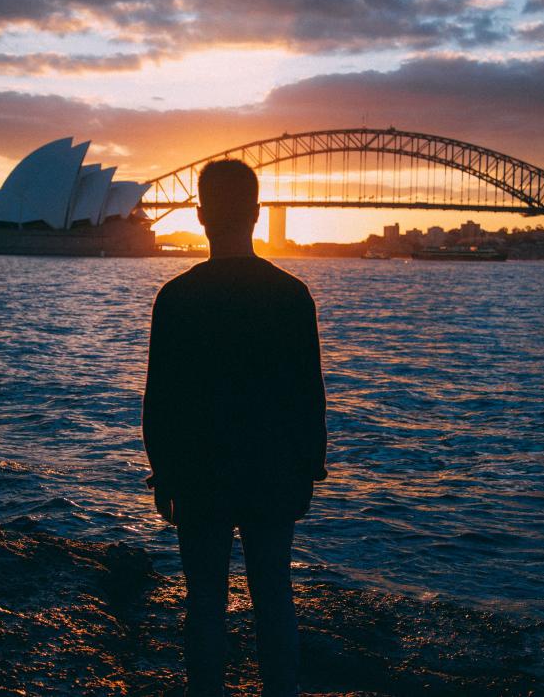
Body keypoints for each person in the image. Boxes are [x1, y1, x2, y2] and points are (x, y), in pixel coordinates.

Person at [142, 159, 327, 696]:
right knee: (274, 593)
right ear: (256, 215)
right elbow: (308, 397)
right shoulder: (291, 295)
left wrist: (165, 475)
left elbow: (160, 403)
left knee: (203, 603)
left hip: (199, 476)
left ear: (201, 216)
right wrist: (308, 471)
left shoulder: (175, 298)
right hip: (272, 475)